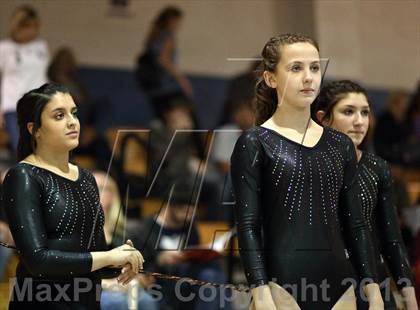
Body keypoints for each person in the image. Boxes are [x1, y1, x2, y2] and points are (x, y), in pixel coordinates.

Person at [230, 34, 384, 310]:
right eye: (296, 68)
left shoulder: (340, 145)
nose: (309, 77)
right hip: (281, 291)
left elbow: (356, 224)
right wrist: (260, 291)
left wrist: (372, 288)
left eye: (314, 68)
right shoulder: (256, 143)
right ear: (270, 78)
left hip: (341, 291)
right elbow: (248, 226)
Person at [1, 83, 144, 309]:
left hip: (85, 302)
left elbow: (91, 256)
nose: (72, 121)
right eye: (59, 115)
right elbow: (38, 261)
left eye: (74, 113)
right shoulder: (23, 176)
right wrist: (109, 258)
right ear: (34, 129)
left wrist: (121, 260)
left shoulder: (87, 178)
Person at [312, 79, 418, 310]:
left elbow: (392, 240)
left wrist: (410, 298)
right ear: (323, 118)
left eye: (365, 113)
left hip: (373, 282)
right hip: (322, 283)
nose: (359, 122)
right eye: (348, 112)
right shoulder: (307, 167)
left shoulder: (377, 167)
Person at [92, 170, 159, 310]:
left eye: (105, 189)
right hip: (95, 288)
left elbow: (147, 269)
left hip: (128, 287)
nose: (99, 193)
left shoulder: (127, 233)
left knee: (147, 302)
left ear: (112, 195)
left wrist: (138, 277)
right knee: (115, 302)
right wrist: (108, 283)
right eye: (94, 187)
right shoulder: (78, 232)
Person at [0, 5, 50, 157]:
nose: (33, 31)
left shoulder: (41, 47)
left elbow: (43, 75)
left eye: (36, 26)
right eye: (29, 27)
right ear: (19, 27)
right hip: (13, 106)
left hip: (38, 104)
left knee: (41, 147)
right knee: (22, 147)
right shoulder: (5, 48)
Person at [137, 6, 193, 118]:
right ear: (172, 20)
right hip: (168, 86)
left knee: (164, 119)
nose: (179, 25)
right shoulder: (168, 36)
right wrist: (182, 80)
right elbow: (164, 59)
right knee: (184, 118)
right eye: (178, 21)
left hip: (154, 87)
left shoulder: (154, 36)